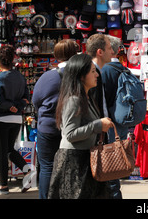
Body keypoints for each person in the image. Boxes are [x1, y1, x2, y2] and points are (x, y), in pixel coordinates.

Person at [47, 54, 113, 199]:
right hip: (73, 162)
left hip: (85, 159)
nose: (97, 75)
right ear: (81, 76)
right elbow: (70, 134)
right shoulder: (74, 100)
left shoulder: (87, 97)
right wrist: (98, 125)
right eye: (92, 71)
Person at [32, 39, 79, 199]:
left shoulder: (47, 77)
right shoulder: (81, 76)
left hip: (48, 127)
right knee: (72, 167)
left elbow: (36, 101)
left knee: (47, 167)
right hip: (73, 128)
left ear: (56, 55)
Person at [86, 34, 123, 199]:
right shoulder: (89, 73)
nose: (113, 52)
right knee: (108, 182)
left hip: (102, 132)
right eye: (109, 48)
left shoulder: (99, 72)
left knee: (110, 181)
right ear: (100, 51)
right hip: (95, 135)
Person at [0, 45, 31, 195]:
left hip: (1, 118)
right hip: (15, 118)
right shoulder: (20, 76)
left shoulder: (0, 78)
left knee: (1, 153)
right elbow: (26, 98)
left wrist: (10, 106)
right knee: (8, 150)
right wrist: (17, 106)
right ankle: (27, 171)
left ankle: (3, 186)